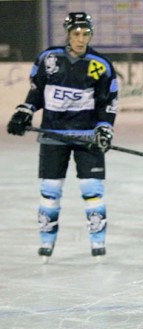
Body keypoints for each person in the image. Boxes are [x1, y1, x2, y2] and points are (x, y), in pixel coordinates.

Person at [6, 12, 118, 262]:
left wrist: (104, 127)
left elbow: (108, 102)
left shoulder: (100, 65)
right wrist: (24, 112)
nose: (81, 38)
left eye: (86, 33)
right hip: (53, 135)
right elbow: (36, 92)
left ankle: (97, 243)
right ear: (68, 34)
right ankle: (46, 242)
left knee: (92, 189)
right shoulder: (49, 59)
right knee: (50, 190)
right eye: (76, 34)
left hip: (87, 137)